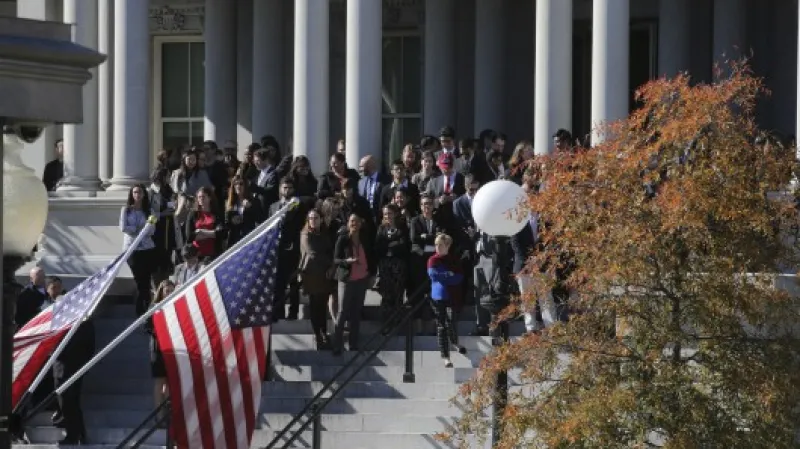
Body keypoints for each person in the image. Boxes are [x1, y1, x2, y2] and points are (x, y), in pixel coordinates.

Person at [331, 214, 370, 355]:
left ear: (360, 223)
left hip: (362, 279)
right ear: (348, 223)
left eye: (357, 221)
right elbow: (335, 259)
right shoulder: (343, 239)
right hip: (346, 280)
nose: (354, 223)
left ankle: (353, 344)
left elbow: (370, 255)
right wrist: (346, 261)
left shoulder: (365, 238)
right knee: (342, 312)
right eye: (352, 221)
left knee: (356, 312)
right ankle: (337, 344)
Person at [427, 233, 466, 367]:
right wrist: (448, 275)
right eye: (436, 245)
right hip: (438, 296)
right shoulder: (433, 260)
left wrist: (447, 277)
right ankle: (445, 356)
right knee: (442, 326)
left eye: (441, 245)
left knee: (451, 321)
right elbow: (434, 275)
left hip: (452, 295)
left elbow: (459, 277)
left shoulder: (454, 259)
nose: (438, 247)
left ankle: (455, 342)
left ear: (448, 246)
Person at [299, 209, 336, 349]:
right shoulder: (305, 234)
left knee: (323, 304)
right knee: (315, 305)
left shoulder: (325, 234)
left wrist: (332, 265)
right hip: (312, 275)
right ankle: (318, 334)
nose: (313, 220)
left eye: (316, 218)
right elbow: (313, 253)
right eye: (311, 218)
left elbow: (330, 250)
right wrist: (330, 262)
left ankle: (323, 332)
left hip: (325, 275)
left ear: (321, 219)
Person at [120, 184, 156, 316]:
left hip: (147, 248)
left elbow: (152, 230)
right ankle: (141, 308)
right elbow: (123, 227)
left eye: (140, 192)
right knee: (139, 278)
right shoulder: (126, 210)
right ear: (131, 194)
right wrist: (139, 229)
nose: (137, 195)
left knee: (145, 280)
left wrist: (144, 229)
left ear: (144, 194)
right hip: (132, 249)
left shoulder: (149, 211)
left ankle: (144, 309)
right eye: (135, 192)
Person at [374, 204, 410, 321]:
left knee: (398, 294)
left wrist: (389, 246)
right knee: (386, 295)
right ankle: (386, 322)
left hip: (398, 266)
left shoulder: (402, 227)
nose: (387, 216)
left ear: (394, 214)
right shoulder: (381, 228)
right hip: (385, 267)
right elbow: (378, 246)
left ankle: (397, 320)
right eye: (385, 214)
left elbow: (403, 244)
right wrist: (392, 245)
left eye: (389, 213)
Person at [146, 280, 174, 423]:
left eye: (171, 290)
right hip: (158, 348)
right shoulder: (154, 307)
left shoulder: (178, 304)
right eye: (166, 291)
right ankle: (160, 415)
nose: (169, 293)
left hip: (174, 348)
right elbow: (147, 327)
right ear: (161, 292)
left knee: (170, 382)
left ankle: (169, 413)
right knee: (160, 381)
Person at [185, 186, 224, 261]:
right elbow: (189, 237)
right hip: (196, 255)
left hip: (213, 254)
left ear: (210, 198)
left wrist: (200, 231)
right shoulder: (193, 214)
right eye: (199, 197)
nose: (201, 199)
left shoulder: (216, 214)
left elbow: (221, 233)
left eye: (203, 196)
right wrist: (212, 234)